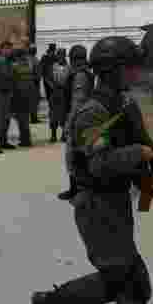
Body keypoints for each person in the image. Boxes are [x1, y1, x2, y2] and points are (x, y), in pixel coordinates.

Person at [30, 35, 153, 304]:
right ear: (111, 71)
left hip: (114, 201)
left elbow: (139, 144)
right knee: (133, 282)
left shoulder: (120, 103)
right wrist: (139, 155)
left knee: (115, 279)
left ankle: (52, 303)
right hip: (97, 204)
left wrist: (152, 170)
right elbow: (100, 165)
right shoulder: (94, 111)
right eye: (129, 68)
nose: (135, 74)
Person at [57, 44, 93, 201]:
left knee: (73, 156)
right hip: (83, 118)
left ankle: (76, 190)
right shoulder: (84, 73)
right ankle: (78, 188)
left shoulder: (80, 75)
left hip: (78, 120)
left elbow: (77, 102)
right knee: (79, 155)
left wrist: (68, 124)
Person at [9, 46, 35, 147]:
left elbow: (12, 82)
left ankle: (25, 140)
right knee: (25, 118)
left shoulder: (14, 66)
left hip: (19, 95)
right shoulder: (28, 65)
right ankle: (25, 138)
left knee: (21, 119)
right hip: (28, 95)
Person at [48, 48, 69, 144]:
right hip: (55, 93)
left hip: (64, 93)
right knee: (53, 115)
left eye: (62, 55)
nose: (61, 57)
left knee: (64, 115)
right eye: (59, 55)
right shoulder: (53, 66)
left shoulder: (69, 67)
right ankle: (53, 135)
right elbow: (48, 78)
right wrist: (52, 86)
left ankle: (64, 135)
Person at [39, 43, 58, 115]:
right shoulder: (46, 58)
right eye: (52, 51)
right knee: (49, 95)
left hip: (51, 79)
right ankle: (52, 109)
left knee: (52, 95)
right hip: (47, 79)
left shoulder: (55, 58)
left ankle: (52, 109)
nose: (53, 52)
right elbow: (41, 68)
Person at [29, 44, 42, 124]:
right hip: (34, 84)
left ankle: (33, 117)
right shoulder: (35, 60)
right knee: (34, 102)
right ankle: (34, 118)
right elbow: (37, 74)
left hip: (28, 83)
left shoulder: (27, 59)